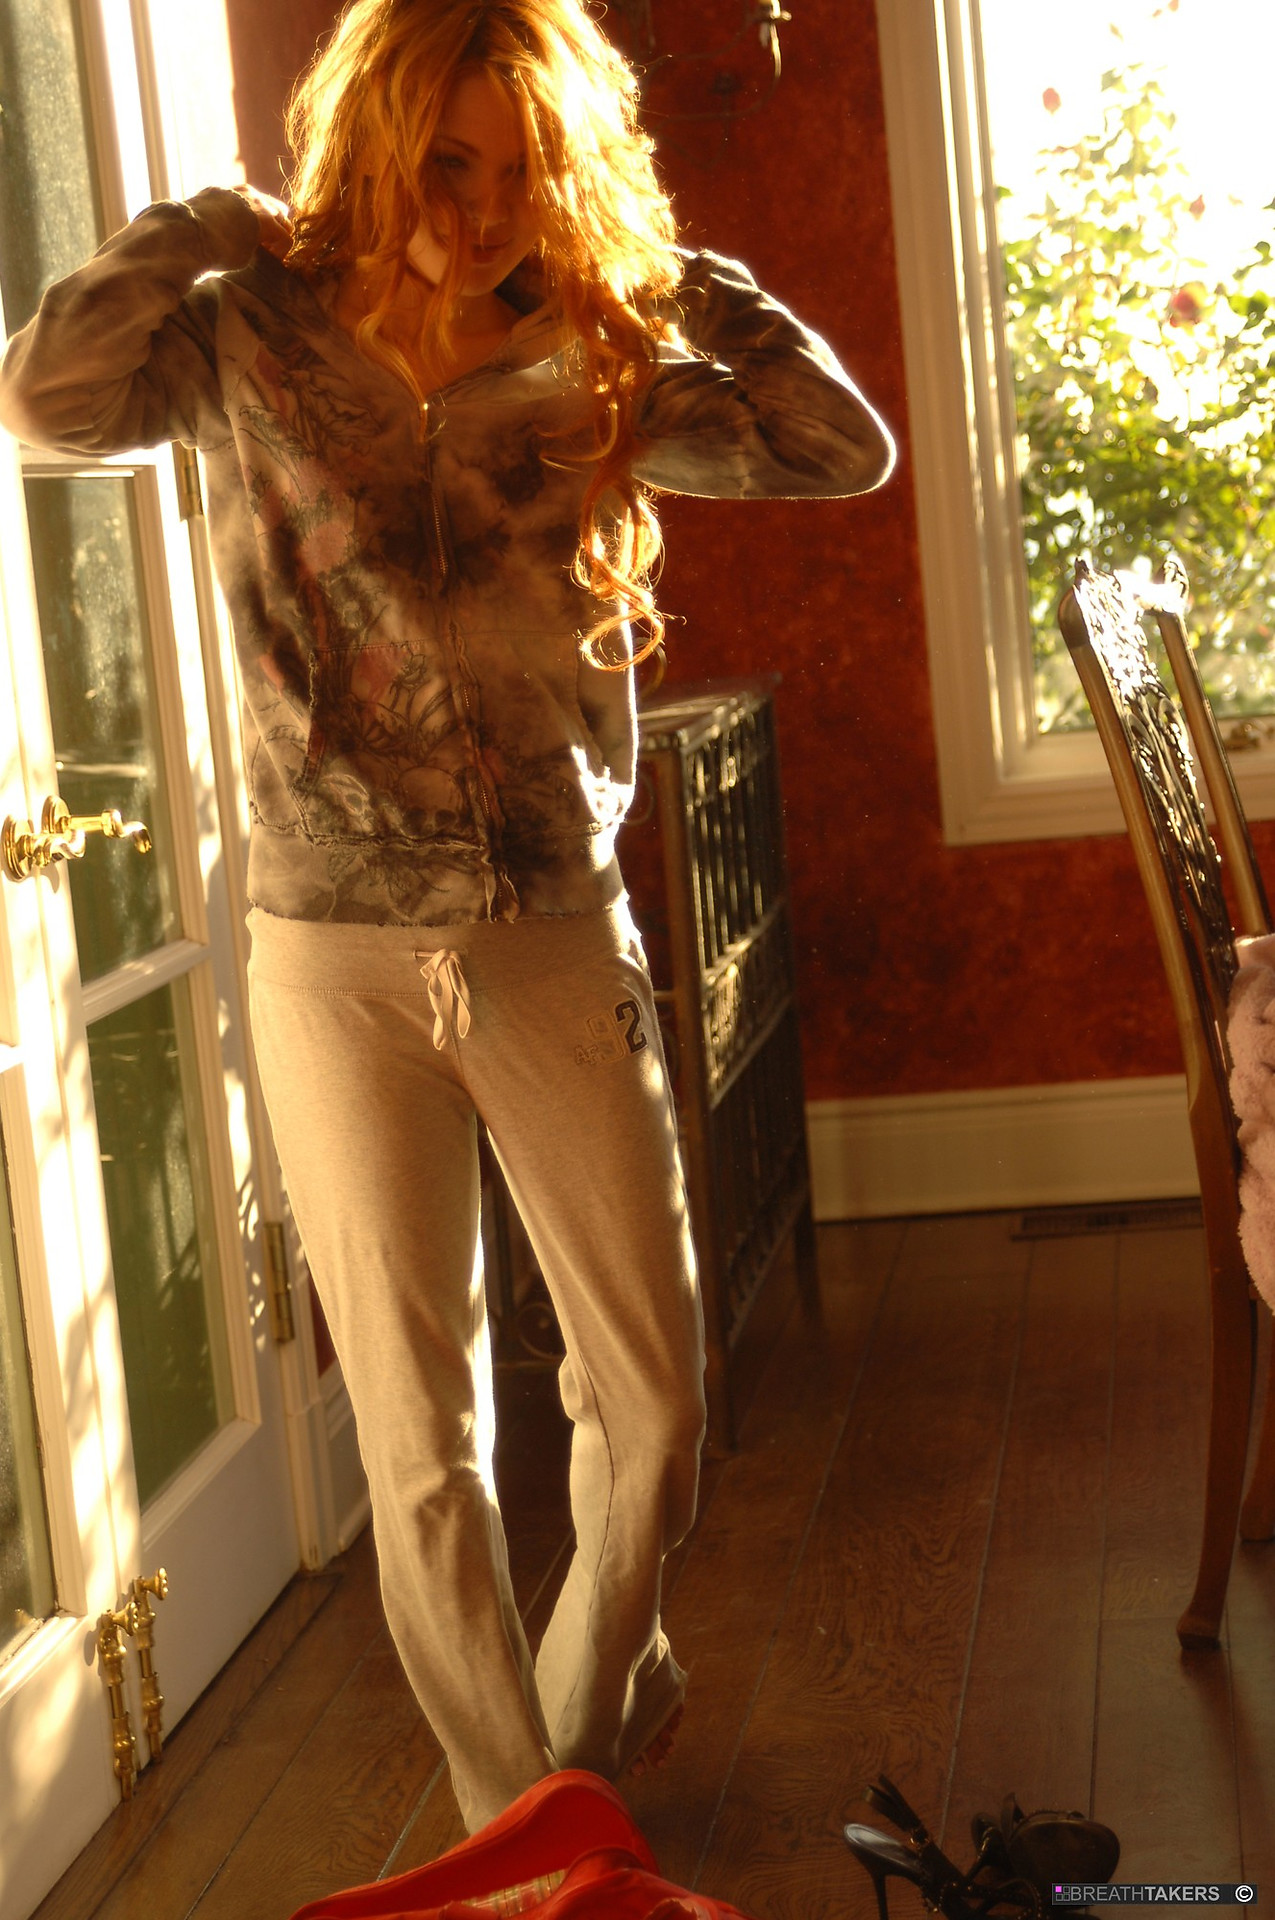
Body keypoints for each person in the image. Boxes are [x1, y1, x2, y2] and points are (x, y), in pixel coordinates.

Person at [0, 0, 893, 1837]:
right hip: (328, 953)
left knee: (656, 1406)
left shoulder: (592, 356)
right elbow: (44, 399)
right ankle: (525, 1842)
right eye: (445, 164)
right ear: (375, 143)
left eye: (521, 169)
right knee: (420, 1447)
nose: (481, 212)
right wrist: (197, 223)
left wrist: (690, 282)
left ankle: (577, 1734)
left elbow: (838, 447)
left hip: (550, 927)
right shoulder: (245, 338)